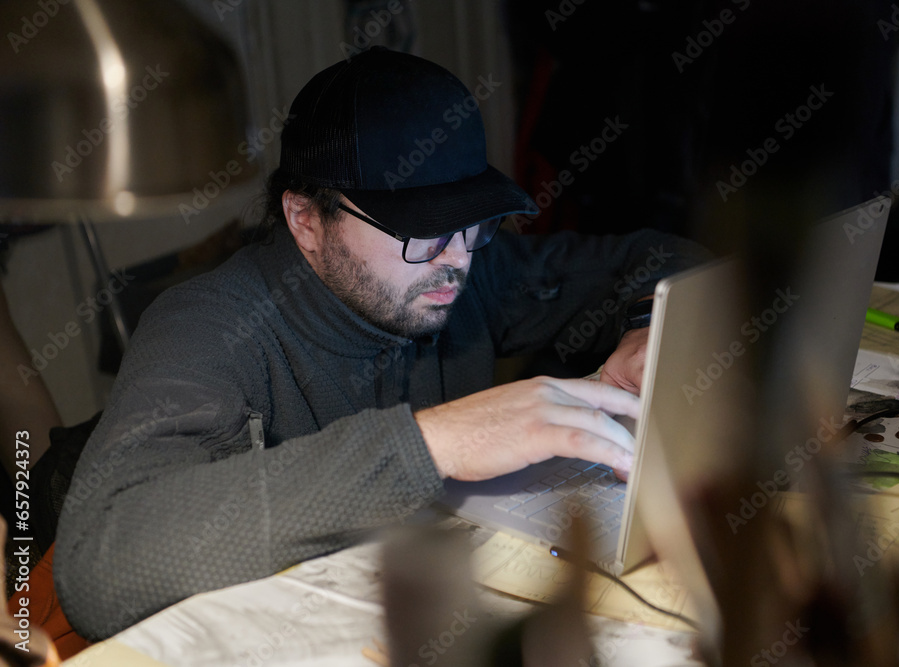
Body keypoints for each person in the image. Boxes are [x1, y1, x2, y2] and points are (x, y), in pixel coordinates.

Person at [53, 47, 710, 641]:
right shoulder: (206, 329)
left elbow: (654, 257)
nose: (455, 259)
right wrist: (434, 443)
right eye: (420, 231)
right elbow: (96, 570)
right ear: (306, 220)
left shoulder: (458, 268)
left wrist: (647, 321)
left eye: (472, 223)